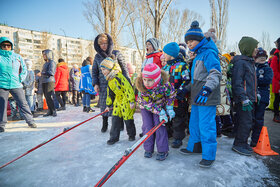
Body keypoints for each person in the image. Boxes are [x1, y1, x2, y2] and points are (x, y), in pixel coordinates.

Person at [179, 21, 221, 168]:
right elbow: (196, 79)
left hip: (207, 97)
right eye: (187, 41)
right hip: (197, 97)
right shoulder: (197, 55)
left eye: (191, 40)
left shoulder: (209, 53)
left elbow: (215, 73)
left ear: (200, 39)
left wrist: (207, 89)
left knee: (206, 126)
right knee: (194, 124)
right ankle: (195, 147)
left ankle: (209, 155)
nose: (189, 44)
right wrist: (186, 89)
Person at [136, 63, 176, 160]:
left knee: (159, 126)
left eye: (150, 80)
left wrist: (169, 108)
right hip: (146, 107)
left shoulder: (165, 85)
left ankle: (163, 150)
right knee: (148, 127)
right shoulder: (142, 87)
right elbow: (148, 104)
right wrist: (161, 112)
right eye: (145, 79)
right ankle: (148, 149)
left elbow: (171, 94)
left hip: (160, 105)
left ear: (157, 79)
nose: (146, 83)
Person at [92, 33, 129, 133]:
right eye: (101, 44)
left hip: (117, 84)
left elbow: (124, 69)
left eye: (106, 43)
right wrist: (95, 84)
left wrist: (127, 82)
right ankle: (105, 124)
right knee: (104, 104)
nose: (104, 45)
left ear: (109, 43)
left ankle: (119, 124)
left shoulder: (116, 53)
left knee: (117, 103)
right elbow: (94, 71)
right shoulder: (97, 57)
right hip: (103, 84)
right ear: (98, 45)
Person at [0, 37, 37, 132]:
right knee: (2, 105)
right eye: (4, 45)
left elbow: (24, 69)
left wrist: (20, 79)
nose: (6, 47)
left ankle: (30, 121)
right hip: (2, 84)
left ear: (11, 46)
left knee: (23, 103)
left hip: (16, 84)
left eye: (8, 45)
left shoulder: (17, 57)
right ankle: (2, 124)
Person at [231, 36, 259, 156]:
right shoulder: (241, 63)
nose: (257, 50)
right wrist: (243, 98)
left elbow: (251, 82)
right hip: (244, 100)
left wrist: (256, 94)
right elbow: (237, 82)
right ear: (248, 48)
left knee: (248, 121)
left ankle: (242, 141)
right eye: (255, 47)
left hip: (250, 98)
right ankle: (239, 143)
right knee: (245, 122)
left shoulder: (249, 62)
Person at [100, 57, 136, 145]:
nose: (102, 72)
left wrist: (131, 101)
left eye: (104, 69)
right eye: (101, 70)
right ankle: (114, 137)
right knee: (115, 119)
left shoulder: (119, 77)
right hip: (118, 101)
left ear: (109, 68)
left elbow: (128, 88)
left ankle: (131, 135)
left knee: (128, 118)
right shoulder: (110, 79)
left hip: (126, 100)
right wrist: (108, 105)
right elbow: (110, 93)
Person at [162, 42, 191, 148]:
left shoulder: (182, 66)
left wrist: (180, 92)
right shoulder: (165, 68)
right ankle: (168, 133)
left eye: (165, 53)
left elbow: (187, 80)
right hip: (167, 98)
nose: (163, 55)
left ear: (171, 54)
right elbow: (162, 81)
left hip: (179, 99)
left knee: (178, 119)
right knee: (168, 117)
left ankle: (178, 138)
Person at [250, 48, 273, 147]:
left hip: (262, 98)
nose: (262, 59)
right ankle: (247, 137)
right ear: (255, 58)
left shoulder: (268, 69)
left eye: (264, 57)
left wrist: (257, 80)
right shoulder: (252, 67)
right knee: (251, 118)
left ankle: (255, 140)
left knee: (259, 118)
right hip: (252, 96)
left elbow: (267, 80)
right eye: (260, 57)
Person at [41, 49, 57, 117]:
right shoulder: (45, 63)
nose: (43, 56)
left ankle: (53, 110)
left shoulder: (52, 62)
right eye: (43, 55)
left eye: (45, 54)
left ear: (48, 54)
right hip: (44, 81)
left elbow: (51, 72)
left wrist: (42, 73)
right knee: (46, 97)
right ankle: (49, 110)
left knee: (49, 96)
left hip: (50, 81)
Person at [270, 37, 280, 122]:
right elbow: (274, 70)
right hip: (278, 82)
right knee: (277, 98)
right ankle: (276, 115)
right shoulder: (276, 57)